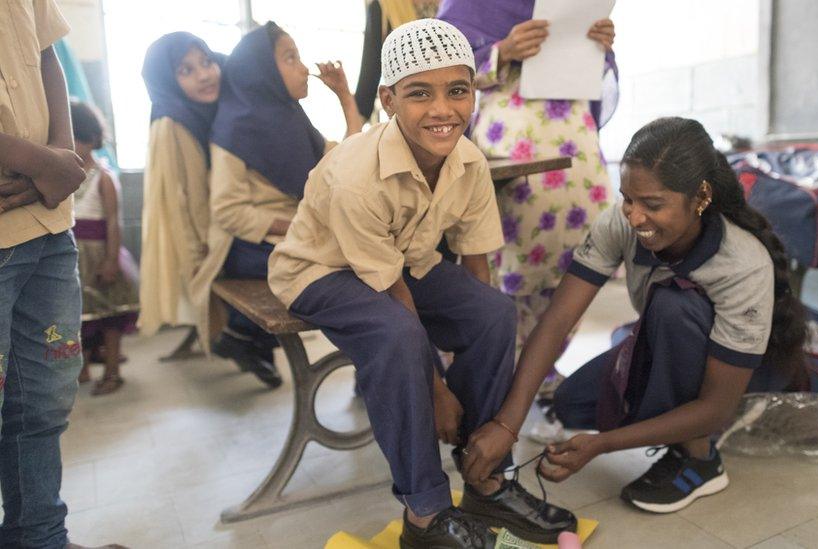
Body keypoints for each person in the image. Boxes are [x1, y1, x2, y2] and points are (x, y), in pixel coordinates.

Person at [268, 19, 575, 547]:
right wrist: (438, 390)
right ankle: (426, 514)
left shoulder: (469, 162)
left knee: (495, 313)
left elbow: (477, 264)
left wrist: (471, 352)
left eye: (458, 90)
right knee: (398, 337)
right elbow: (392, 295)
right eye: (419, 94)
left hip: (402, 263)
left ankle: (483, 475)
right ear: (388, 99)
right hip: (320, 271)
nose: (441, 109)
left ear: (474, 92)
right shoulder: (355, 177)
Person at [461, 117, 808, 514]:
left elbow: (718, 407)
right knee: (573, 405)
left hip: (730, 376)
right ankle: (671, 414)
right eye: (628, 198)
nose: (634, 216)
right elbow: (557, 320)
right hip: (668, 345)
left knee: (674, 305)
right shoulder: (620, 223)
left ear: (701, 197)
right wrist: (508, 423)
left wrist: (602, 445)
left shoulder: (741, 264)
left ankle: (699, 458)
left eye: (652, 204)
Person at [438, 0, 618, 397]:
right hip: (512, 134)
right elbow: (440, 64)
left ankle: (542, 366)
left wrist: (600, 48)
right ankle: (504, 366)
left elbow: (599, 77)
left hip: (575, 137)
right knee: (510, 256)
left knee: (584, 255)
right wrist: (503, 50)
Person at [0, 3, 126, 547]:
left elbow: (46, 48)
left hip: (47, 222)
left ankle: (39, 536)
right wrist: (41, 161)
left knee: (44, 400)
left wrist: (58, 155)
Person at [192, 21, 361, 388]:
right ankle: (376, 361)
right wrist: (301, 225)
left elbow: (349, 164)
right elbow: (229, 210)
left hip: (291, 240)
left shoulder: (292, 121)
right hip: (253, 248)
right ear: (262, 71)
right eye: (290, 58)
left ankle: (243, 340)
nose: (304, 69)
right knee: (358, 267)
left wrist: (345, 97)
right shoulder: (234, 128)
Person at [138, 32, 223, 342]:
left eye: (206, 62)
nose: (204, 75)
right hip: (204, 241)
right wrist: (201, 255)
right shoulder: (172, 122)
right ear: (166, 79)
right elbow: (182, 199)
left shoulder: (206, 112)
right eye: (186, 70)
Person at [70, 100, 139, 396]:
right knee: (81, 318)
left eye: (75, 137)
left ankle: (112, 371)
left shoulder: (104, 178)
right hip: (74, 259)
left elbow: (113, 222)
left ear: (91, 138)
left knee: (109, 316)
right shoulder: (66, 177)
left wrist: (111, 260)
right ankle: (81, 368)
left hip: (99, 256)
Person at [354, 0, 442, 121]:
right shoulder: (385, 6)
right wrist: (354, 130)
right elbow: (369, 77)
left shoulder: (463, 6)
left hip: (463, 114)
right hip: (410, 115)